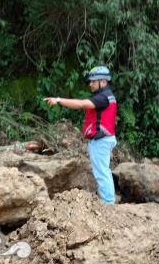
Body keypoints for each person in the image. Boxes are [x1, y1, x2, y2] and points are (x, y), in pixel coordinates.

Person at [45, 65, 118, 204]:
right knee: (103, 171)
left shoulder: (104, 97)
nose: (90, 84)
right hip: (102, 139)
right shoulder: (106, 96)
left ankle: (108, 203)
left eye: (93, 81)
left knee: (102, 173)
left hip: (101, 141)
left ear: (103, 81)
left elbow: (82, 104)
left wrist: (59, 100)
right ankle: (108, 202)